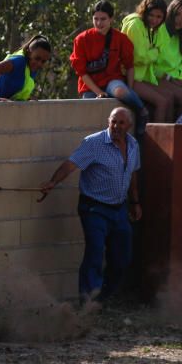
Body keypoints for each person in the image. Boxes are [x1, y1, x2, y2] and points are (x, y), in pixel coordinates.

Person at [39, 107, 141, 304]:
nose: (116, 126)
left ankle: (102, 298)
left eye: (121, 123)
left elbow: (133, 174)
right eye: (113, 122)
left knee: (122, 258)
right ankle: (87, 303)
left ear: (129, 125)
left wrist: (135, 201)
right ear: (108, 122)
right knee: (94, 252)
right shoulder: (94, 143)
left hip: (119, 208)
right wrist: (53, 182)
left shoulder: (133, 144)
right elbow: (71, 164)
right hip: (95, 208)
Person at [70, 0, 146, 127]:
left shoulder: (120, 38)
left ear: (111, 19)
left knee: (121, 91)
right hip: (90, 86)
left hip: (112, 81)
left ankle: (142, 111)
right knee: (89, 114)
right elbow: (81, 72)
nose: (99, 23)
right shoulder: (81, 39)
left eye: (103, 19)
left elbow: (129, 66)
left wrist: (130, 91)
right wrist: (98, 92)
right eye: (96, 19)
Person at [121, 0, 174, 122]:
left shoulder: (152, 28)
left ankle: (170, 138)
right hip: (128, 76)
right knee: (162, 102)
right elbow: (138, 57)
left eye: (159, 17)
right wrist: (155, 52)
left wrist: (153, 53)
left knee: (170, 98)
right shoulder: (135, 25)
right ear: (144, 12)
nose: (155, 20)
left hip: (143, 77)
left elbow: (161, 49)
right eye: (151, 15)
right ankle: (155, 140)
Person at [0, 34, 52, 101]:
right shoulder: (19, 61)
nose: (39, 63)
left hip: (1, 106)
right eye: (37, 58)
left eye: (43, 61)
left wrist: (27, 97)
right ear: (29, 53)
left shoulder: (32, 69)